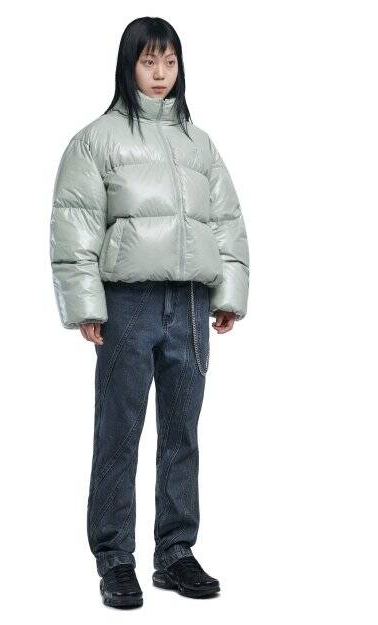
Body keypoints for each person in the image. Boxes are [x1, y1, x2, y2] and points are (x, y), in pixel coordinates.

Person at [49, 16, 249, 608]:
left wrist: (227, 294)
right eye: (148, 61)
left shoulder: (199, 143)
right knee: (120, 431)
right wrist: (87, 305)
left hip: (189, 304)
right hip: (127, 304)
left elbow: (227, 222)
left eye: (169, 61)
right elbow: (74, 226)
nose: (160, 73)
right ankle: (115, 558)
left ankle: (175, 552)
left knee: (182, 433)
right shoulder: (96, 141)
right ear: (128, 65)